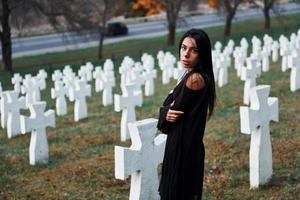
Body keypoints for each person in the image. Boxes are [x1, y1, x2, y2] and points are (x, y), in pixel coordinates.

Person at [157, 28, 216, 200]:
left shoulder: (194, 79)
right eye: (184, 48)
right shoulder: (193, 75)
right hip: (186, 143)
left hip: (183, 147)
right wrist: (166, 110)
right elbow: (169, 107)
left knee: (177, 193)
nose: (186, 54)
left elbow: (166, 124)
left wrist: (165, 112)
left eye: (194, 50)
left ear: (202, 54)